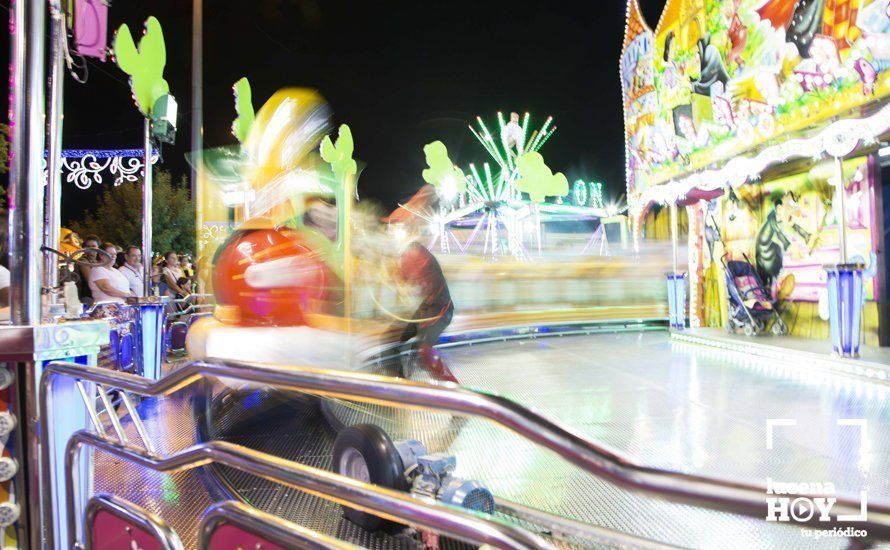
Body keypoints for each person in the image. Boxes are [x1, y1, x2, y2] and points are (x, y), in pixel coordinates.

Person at [78, 234, 101, 304]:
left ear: (98, 248)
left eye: (93, 246)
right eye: (88, 246)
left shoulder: (100, 262)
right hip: (88, 296)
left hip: (100, 294)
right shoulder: (83, 261)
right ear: (84, 249)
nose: (91, 248)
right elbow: (91, 281)